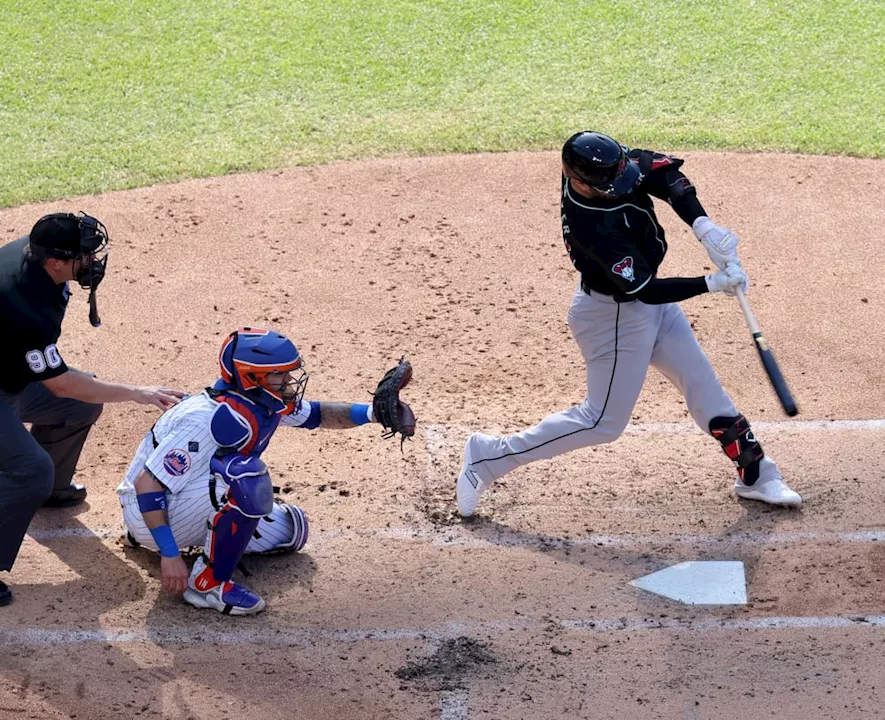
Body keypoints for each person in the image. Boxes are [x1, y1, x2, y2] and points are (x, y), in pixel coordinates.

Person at [455, 131, 802, 518]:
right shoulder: (592, 228)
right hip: (614, 318)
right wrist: (712, 283)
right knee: (602, 422)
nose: (621, 185)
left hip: (645, 308)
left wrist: (703, 226)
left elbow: (666, 177)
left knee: (704, 387)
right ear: (580, 183)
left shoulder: (608, 168)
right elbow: (647, 290)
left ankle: (756, 474)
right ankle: (488, 457)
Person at [116, 327, 415, 615]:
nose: (289, 381)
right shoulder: (206, 420)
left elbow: (319, 414)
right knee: (245, 479)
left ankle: (204, 536)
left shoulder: (260, 402)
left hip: (177, 500)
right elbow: (148, 484)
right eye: (280, 375)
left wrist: (373, 414)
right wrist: (169, 553)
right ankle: (208, 584)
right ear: (252, 378)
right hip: (148, 508)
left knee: (294, 530)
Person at [0, 212, 183, 607]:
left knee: (80, 406)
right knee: (31, 469)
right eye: (82, 256)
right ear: (55, 263)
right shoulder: (24, 306)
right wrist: (138, 392)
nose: (91, 262)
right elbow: (62, 383)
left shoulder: (32, 257)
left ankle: (49, 493)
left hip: (8, 373)